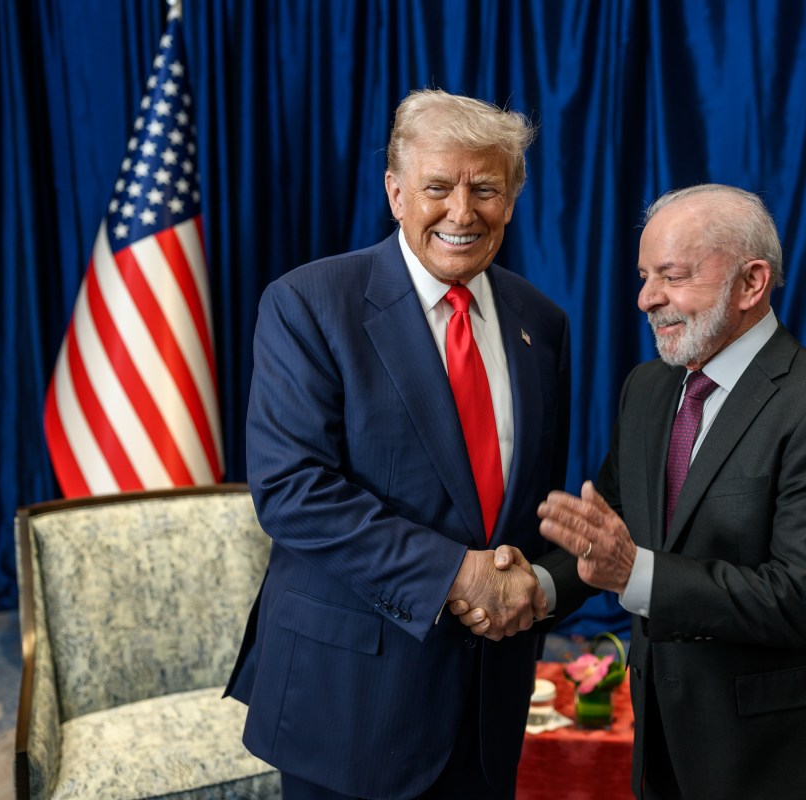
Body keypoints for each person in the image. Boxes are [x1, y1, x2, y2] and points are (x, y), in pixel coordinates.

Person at [224, 88, 575, 800]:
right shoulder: (308, 305)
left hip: (489, 706)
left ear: (511, 201)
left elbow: (533, 502)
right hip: (352, 702)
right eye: (438, 187)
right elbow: (294, 492)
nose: (461, 210)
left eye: (486, 188)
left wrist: (526, 584)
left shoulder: (543, 323)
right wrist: (459, 576)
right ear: (395, 192)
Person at [533, 184, 806, 798]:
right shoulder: (648, 389)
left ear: (750, 283)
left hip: (785, 758)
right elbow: (610, 530)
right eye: (644, 276)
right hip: (665, 745)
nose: (646, 299)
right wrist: (536, 587)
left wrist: (634, 572)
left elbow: (799, 599)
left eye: (672, 276)